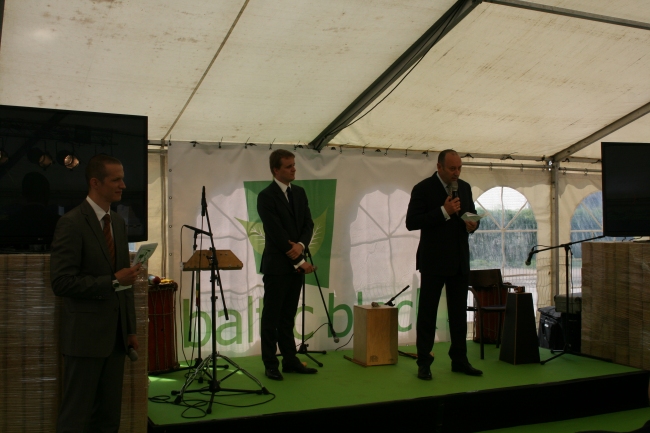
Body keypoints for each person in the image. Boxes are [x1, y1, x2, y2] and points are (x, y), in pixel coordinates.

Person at [50, 154, 142, 432]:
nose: (123, 185)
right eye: (116, 180)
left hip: (116, 339)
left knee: (108, 417)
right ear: (95, 183)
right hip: (84, 338)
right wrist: (112, 281)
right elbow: (62, 282)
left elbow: (125, 281)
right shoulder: (71, 223)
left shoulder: (118, 223)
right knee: (76, 417)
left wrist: (130, 329)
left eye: (122, 179)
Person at [405, 149, 482, 380]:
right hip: (433, 262)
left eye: (459, 168)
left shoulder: (464, 188)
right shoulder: (423, 188)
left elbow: (471, 214)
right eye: (452, 168)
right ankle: (424, 362)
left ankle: (459, 360)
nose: (456, 172)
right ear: (439, 167)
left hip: (459, 261)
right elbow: (412, 222)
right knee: (427, 315)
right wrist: (443, 212)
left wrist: (473, 224)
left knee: (458, 315)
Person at [257, 149, 317, 381]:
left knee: (288, 316)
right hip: (277, 267)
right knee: (271, 317)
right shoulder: (266, 196)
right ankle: (270, 363)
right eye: (288, 166)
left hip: (295, 265)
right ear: (276, 170)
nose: (293, 169)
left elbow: (308, 224)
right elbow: (275, 232)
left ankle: (290, 360)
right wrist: (299, 260)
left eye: (294, 165)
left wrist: (301, 245)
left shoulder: (299, 193)